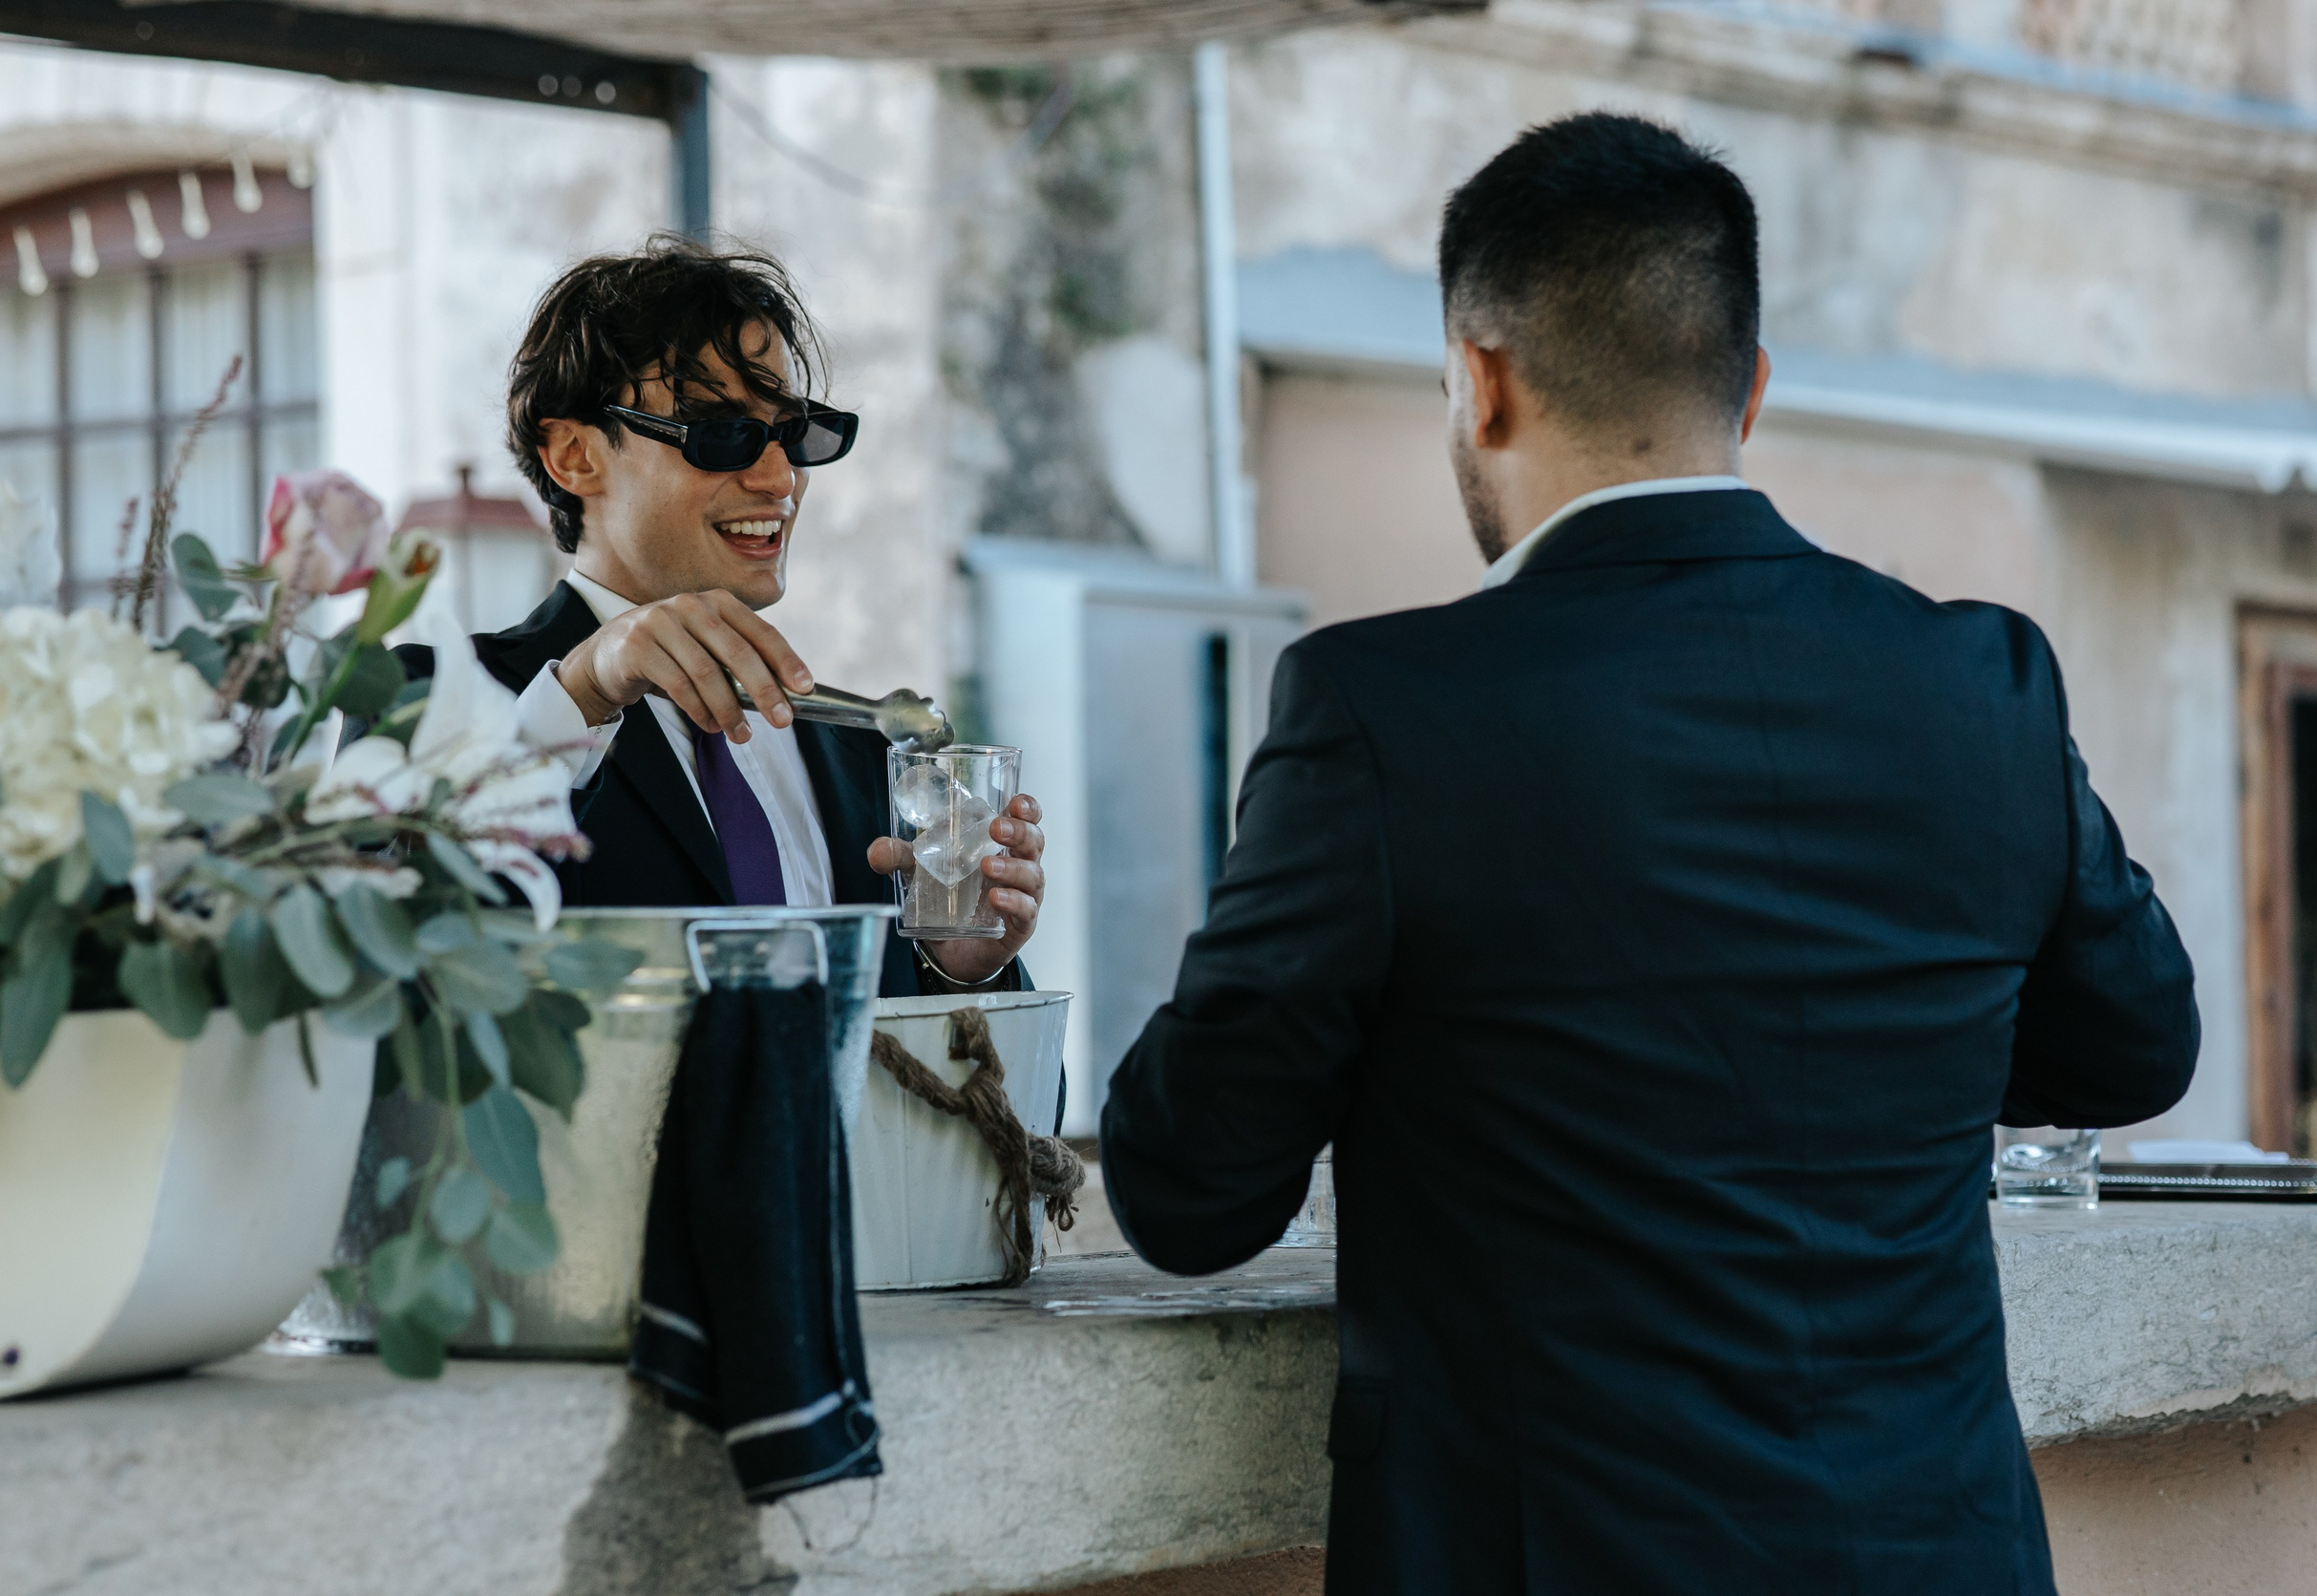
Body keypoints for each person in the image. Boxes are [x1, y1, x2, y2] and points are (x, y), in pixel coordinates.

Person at [1097, 114, 2198, 1593]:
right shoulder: (1981, 681)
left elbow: (1187, 1189)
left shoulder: (1381, 712)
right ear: (1748, 385)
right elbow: (2134, 1048)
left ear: (1479, 382)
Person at [403, 239, 1043, 998]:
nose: (779, 478)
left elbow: (1001, 1107)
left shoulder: (857, 753)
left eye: (794, 433)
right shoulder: (438, 701)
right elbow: (398, 957)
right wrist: (584, 689)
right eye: (721, 433)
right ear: (573, 455)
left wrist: (959, 967)